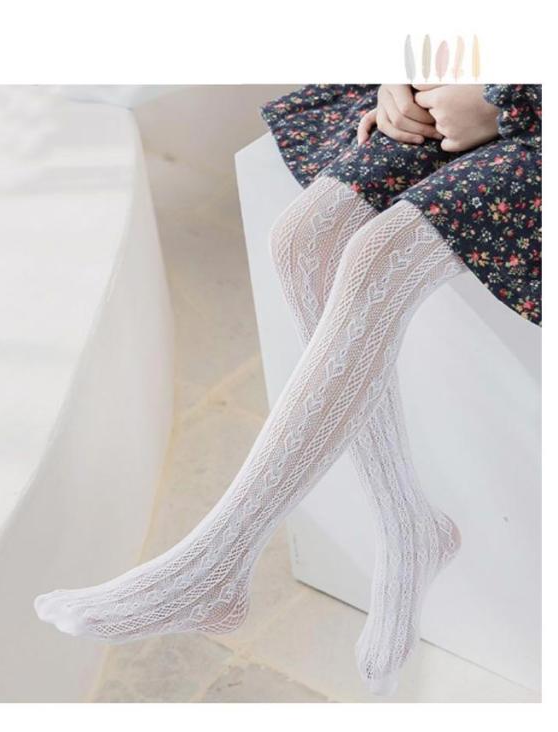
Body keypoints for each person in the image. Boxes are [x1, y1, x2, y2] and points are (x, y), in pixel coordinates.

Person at [35, 84, 541, 695]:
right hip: (467, 77)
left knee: (379, 255)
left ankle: (213, 563)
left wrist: (507, 103)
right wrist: (406, 77)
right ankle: (405, 523)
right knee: (302, 240)